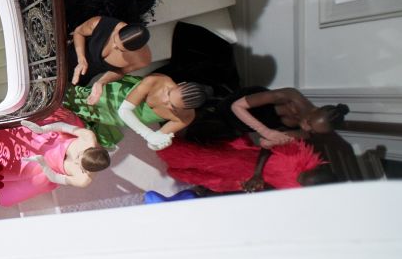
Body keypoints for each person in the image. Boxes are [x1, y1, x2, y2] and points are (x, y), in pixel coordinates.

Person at [64, 75, 208, 149]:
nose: (165, 100)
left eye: (172, 106)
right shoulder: (157, 80)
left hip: (119, 119)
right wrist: (148, 134)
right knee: (83, 101)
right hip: (118, 98)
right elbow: (125, 111)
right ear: (181, 84)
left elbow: (152, 143)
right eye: (168, 93)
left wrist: (158, 143)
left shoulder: (186, 117)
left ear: (185, 110)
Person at [0, 115, 109, 206]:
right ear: (90, 148)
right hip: (48, 142)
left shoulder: (83, 180)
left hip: (45, 168)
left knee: (6, 177)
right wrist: (42, 129)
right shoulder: (88, 137)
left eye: (80, 167)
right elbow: (63, 126)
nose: (76, 162)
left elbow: (55, 178)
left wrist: (43, 164)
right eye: (78, 156)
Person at [157, 136, 332, 194]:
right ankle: (167, 149)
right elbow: (266, 149)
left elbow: (274, 188)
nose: (302, 181)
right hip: (245, 161)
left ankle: (177, 170)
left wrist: (258, 185)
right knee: (202, 159)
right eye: (306, 179)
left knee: (211, 181)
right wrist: (257, 173)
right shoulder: (299, 156)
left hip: (243, 180)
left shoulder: (297, 189)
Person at [68, 16, 151, 106]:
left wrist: (101, 82)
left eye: (120, 49)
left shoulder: (141, 60)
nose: (114, 46)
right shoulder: (102, 24)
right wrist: (81, 59)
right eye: (115, 40)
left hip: (80, 78)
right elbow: (78, 32)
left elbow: (120, 71)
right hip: (63, 57)